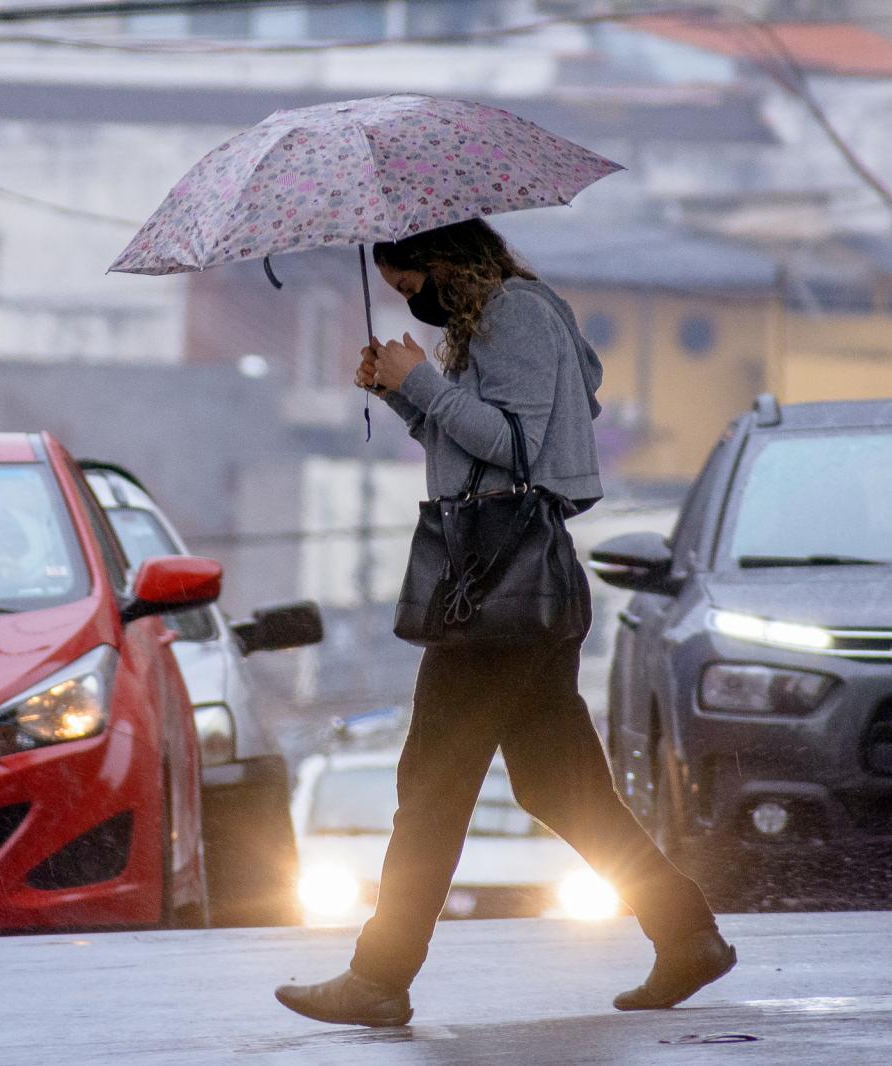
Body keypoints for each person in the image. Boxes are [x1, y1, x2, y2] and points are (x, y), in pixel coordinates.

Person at [274, 219, 734, 1028]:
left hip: (504, 588)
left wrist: (422, 383)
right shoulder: (493, 320)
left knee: (430, 783)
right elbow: (470, 447)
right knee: (559, 783)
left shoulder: (516, 313)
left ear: (445, 259)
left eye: (411, 285)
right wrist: (400, 392)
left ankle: (379, 976)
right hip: (513, 585)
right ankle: (686, 934)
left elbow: (517, 450)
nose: (412, 303)